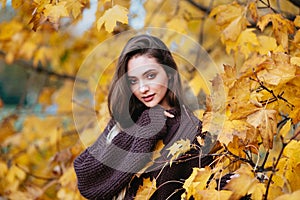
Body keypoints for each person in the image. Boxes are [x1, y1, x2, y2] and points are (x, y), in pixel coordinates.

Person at [73, 34, 213, 199]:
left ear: (168, 73)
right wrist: (146, 130)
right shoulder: (127, 120)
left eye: (150, 76)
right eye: (133, 81)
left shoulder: (192, 129)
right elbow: (86, 177)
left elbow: (206, 186)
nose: (142, 88)